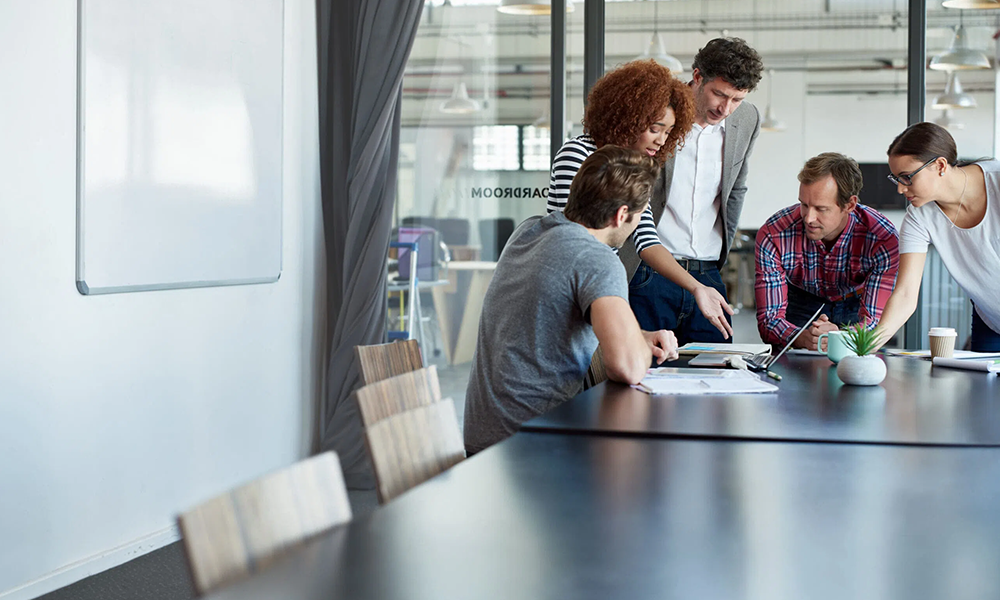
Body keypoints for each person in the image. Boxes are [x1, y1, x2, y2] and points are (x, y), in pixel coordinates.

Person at [466, 146, 679, 454]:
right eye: (639, 216)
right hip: (534, 444)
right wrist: (635, 347)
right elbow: (628, 368)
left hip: (483, 438)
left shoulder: (528, 232)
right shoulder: (597, 259)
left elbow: (549, 322)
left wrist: (639, 337)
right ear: (622, 215)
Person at [546, 61, 735, 339]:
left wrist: (697, 288)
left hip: (600, 290)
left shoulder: (639, 168)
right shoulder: (577, 153)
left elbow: (647, 240)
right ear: (628, 117)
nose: (661, 140)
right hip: (572, 294)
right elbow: (570, 242)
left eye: (669, 132)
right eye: (655, 128)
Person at [621, 37, 765, 346]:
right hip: (650, 272)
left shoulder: (747, 119)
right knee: (645, 378)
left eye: (737, 99)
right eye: (719, 94)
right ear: (697, 77)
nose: (726, 108)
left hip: (708, 273)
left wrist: (720, 256)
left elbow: (736, 186)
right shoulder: (660, 114)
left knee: (715, 378)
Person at [873, 122, 1000, 352]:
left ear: (940, 165)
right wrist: (866, 347)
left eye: (906, 177)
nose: (901, 189)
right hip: (991, 320)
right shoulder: (918, 217)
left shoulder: (997, 183)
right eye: (896, 179)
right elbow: (905, 295)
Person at [755, 153, 900, 350]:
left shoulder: (882, 238)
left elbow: (875, 324)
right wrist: (802, 338)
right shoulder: (774, 233)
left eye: (821, 209)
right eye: (804, 205)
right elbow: (769, 320)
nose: (808, 218)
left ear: (849, 205)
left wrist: (841, 337)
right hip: (801, 304)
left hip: (857, 306)